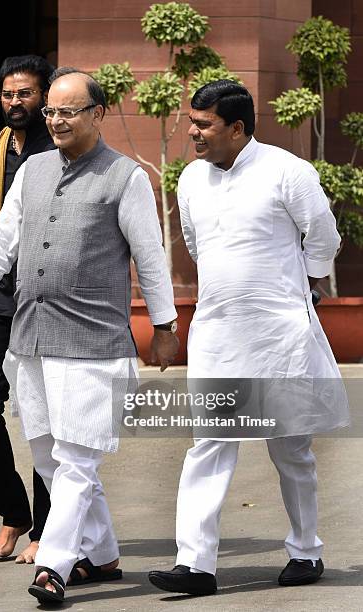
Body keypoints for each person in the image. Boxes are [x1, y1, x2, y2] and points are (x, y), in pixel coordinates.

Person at [0, 67, 179, 604]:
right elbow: (1, 240)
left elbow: (151, 257)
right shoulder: (30, 170)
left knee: (77, 458)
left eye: (67, 111)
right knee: (49, 457)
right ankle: (101, 556)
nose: (55, 121)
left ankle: (55, 564)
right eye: (51, 111)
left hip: (94, 342)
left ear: (97, 114)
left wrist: (166, 327)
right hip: (30, 338)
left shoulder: (125, 178)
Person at [148, 80, 349, 597]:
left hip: (279, 333)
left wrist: (304, 284)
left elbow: (323, 235)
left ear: (237, 128)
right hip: (217, 331)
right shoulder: (191, 178)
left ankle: (306, 550)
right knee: (208, 444)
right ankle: (195, 565)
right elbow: (194, 243)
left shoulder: (288, 171)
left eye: (203, 124)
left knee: (291, 449)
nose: (193, 132)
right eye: (192, 122)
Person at [0, 55, 55, 563]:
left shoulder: (59, 149)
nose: (15, 102)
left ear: (44, 96)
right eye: (7, 94)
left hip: (45, 299)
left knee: (44, 415)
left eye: (25, 94)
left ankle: (47, 527)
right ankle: (13, 513)